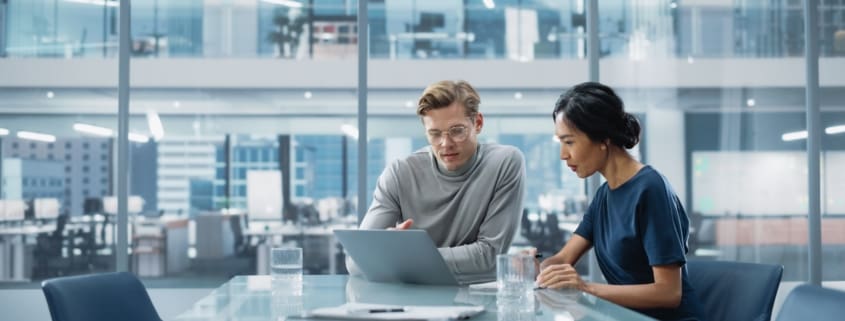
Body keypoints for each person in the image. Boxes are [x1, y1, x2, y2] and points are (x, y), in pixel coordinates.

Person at [534, 82, 703, 321]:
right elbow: (563, 258)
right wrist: (541, 267)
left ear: (603, 138)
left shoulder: (651, 189)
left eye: (569, 142)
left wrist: (586, 288)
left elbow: (669, 292)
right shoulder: (604, 196)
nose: (563, 154)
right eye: (560, 143)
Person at [346, 80, 526, 284]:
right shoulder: (400, 173)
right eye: (435, 134)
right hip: (411, 304)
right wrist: (392, 250)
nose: (446, 143)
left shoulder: (505, 162)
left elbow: (488, 256)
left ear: (478, 123)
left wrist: (397, 257)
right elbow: (355, 260)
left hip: (476, 296)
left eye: (457, 131)